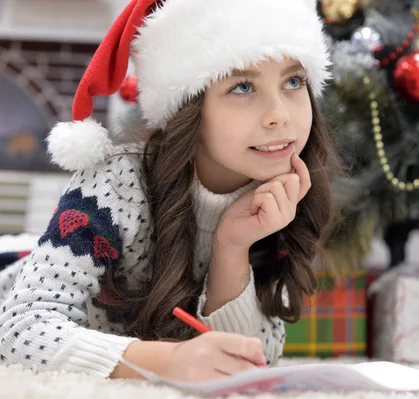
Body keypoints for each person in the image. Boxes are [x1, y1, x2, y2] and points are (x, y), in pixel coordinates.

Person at [0, 0, 341, 383]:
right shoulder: (116, 183)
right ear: (188, 107)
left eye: (293, 81)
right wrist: (166, 362)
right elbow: (19, 329)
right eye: (243, 86)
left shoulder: (278, 191)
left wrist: (232, 246)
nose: (279, 114)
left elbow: (251, 361)